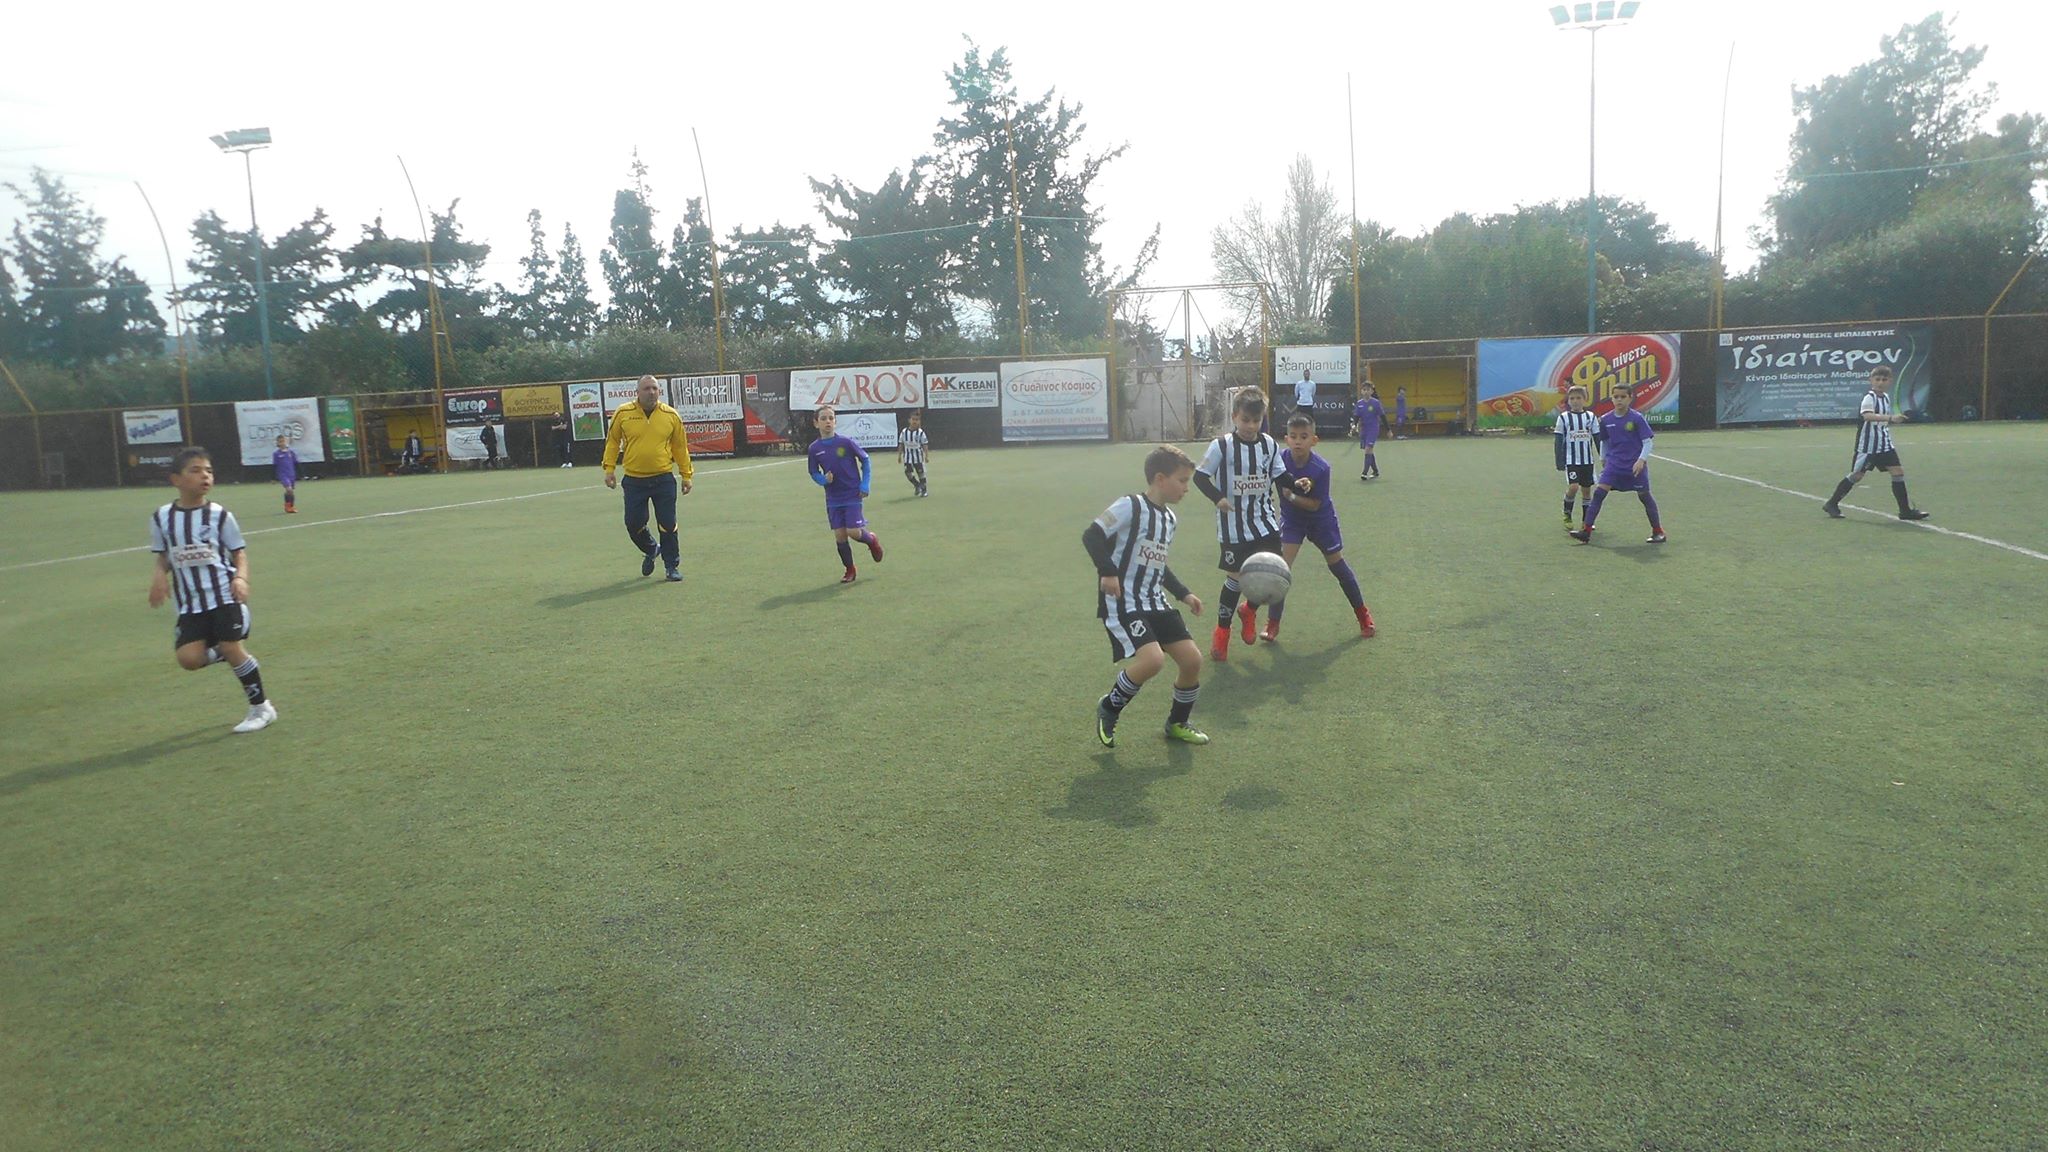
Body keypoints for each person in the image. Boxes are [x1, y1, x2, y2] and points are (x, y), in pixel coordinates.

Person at [1083, 444, 1209, 747]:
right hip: (1124, 601)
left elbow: (1158, 564)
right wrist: (1107, 571)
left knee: (1192, 660)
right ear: (1160, 479)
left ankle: (1177, 723)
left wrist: (1184, 594)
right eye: (1182, 480)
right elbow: (1092, 535)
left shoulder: (1170, 519)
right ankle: (1110, 706)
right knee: (1152, 660)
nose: (1186, 488)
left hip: (1155, 600)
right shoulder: (1130, 506)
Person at [147, 447, 277, 733]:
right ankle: (227, 651)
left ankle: (261, 708)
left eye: (208, 471)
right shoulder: (162, 518)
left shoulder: (220, 516)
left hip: (224, 596)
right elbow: (163, 555)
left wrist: (241, 579)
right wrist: (158, 578)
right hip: (190, 604)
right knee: (188, 659)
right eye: (195, 471)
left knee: (232, 647)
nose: (205, 476)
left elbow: (239, 553)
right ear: (175, 479)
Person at [1267, 413, 1377, 641]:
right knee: (1281, 570)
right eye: (1293, 436)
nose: (1298, 441)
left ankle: (1363, 615)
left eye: (1304, 437)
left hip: (1320, 520)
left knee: (1337, 566)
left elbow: (1315, 504)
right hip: (1293, 520)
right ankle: (1272, 624)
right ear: (1286, 439)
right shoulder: (1278, 461)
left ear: (1314, 440)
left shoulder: (1321, 467)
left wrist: (1291, 497)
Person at [1193, 388, 1283, 662]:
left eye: (1256, 420)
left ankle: (1250, 610)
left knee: (1271, 574)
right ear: (1234, 417)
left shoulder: (1269, 445)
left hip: (1265, 523)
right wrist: (1217, 498)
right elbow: (1200, 477)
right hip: (1233, 527)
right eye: (1245, 420)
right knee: (1234, 580)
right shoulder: (1221, 446)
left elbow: (1281, 475)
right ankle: (1222, 633)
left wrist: (1297, 483)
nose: (1251, 426)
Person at [602, 374, 693, 582]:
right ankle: (652, 549)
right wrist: (609, 469)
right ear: (637, 392)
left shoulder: (671, 415)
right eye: (646, 388)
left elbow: (680, 447)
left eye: (654, 388)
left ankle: (671, 566)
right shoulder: (623, 413)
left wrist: (686, 475)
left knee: (668, 523)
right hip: (634, 480)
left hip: (663, 479)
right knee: (633, 523)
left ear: (659, 391)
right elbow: (613, 442)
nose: (651, 392)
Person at [1822, 366, 1930, 521]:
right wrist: (1891, 418)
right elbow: (1867, 416)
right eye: (1877, 379)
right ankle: (1832, 503)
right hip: (1868, 446)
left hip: (1884, 444)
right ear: (1871, 380)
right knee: (1857, 475)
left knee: (1898, 472)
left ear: (1890, 381)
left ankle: (1905, 511)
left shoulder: (1885, 397)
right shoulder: (1869, 398)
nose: (1880, 383)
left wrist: (1893, 420)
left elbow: (1881, 419)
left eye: (1884, 380)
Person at [1569, 381, 1665, 545]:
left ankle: (1658, 532)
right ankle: (1586, 531)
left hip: (1634, 466)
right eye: (1616, 396)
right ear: (1612, 398)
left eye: (1623, 397)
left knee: (1644, 496)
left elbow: (1647, 442)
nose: (1619, 400)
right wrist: (1603, 459)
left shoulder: (1636, 418)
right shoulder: (1606, 419)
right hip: (1614, 464)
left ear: (1630, 398)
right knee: (1599, 493)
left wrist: (1641, 460)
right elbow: (1604, 441)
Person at [807, 404, 885, 583]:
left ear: (835, 422)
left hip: (852, 494)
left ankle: (871, 540)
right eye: (823, 418)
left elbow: (865, 460)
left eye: (831, 418)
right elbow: (813, 472)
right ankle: (850, 570)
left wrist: (865, 484)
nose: (828, 421)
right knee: (840, 536)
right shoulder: (814, 448)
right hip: (833, 497)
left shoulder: (845, 442)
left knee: (853, 532)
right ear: (816, 423)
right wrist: (823, 480)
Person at [1552, 384, 1599, 528]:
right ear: (1568, 400)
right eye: (1572, 398)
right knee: (1573, 487)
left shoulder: (1590, 417)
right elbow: (1558, 440)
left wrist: (1603, 456)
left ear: (1585, 400)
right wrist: (1559, 461)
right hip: (1571, 460)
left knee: (1587, 491)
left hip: (1587, 461)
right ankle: (1567, 514)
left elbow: (1597, 438)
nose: (1575, 401)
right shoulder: (1563, 418)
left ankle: (1586, 521)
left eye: (1578, 398)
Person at [1353, 382, 1386, 480]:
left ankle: (1364, 472)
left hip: (1373, 429)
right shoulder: (1359, 403)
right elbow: (1356, 416)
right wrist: (1354, 425)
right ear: (1361, 391)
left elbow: (1383, 416)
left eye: (1368, 390)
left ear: (1371, 391)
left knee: (1368, 449)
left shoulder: (1376, 403)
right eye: (1364, 390)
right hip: (1364, 430)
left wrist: (1388, 430)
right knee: (1369, 451)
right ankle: (1375, 471)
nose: (1366, 392)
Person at [898, 410, 930, 497]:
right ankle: (917, 485)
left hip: (918, 456)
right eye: (913, 419)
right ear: (909, 420)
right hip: (907, 457)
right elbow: (901, 443)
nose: (915, 421)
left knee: (921, 473)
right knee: (908, 473)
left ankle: (924, 490)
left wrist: (926, 456)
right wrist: (899, 455)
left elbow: (925, 444)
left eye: (917, 420)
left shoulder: (921, 433)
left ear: (919, 421)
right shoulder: (904, 432)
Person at [272, 434, 299, 514]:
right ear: (277, 443)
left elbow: (296, 464)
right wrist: (273, 477)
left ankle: (289, 506)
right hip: (283, 475)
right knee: (289, 489)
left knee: (290, 492)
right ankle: (290, 507)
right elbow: (274, 466)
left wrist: (300, 474)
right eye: (280, 442)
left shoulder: (291, 453)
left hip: (291, 474)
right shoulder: (276, 454)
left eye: (283, 441)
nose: (282, 443)